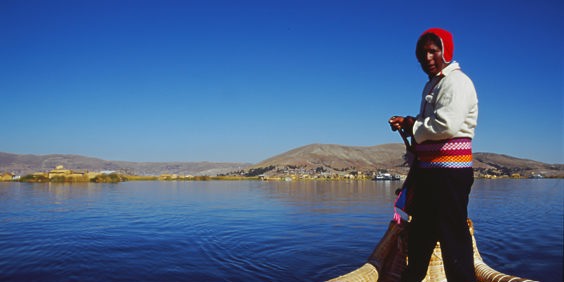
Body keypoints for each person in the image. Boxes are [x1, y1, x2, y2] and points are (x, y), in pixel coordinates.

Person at [389, 28, 478, 282]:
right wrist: (410, 122)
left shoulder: (457, 82)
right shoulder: (433, 84)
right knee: (420, 237)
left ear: (445, 51)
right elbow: (431, 123)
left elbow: (446, 125)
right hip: (430, 175)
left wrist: (411, 125)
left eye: (433, 51)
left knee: (454, 241)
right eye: (422, 53)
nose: (427, 57)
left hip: (449, 176)